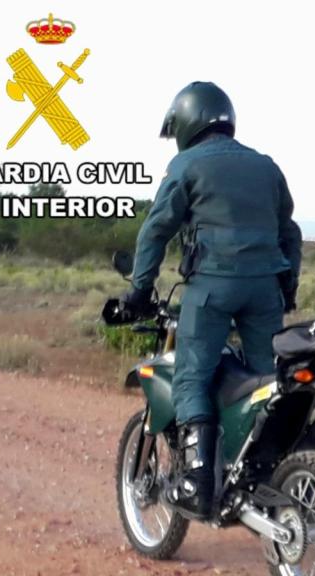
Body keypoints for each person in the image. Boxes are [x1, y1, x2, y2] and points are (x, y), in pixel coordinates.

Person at [120, 81, 302, 519]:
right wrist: (288, 288)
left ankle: (197, 482)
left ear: (186, 122)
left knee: (191, 377)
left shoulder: (185, 165)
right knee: (264, 383)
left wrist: (139, 290)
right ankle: (262, 471)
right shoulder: (266, 166)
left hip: (212, 289)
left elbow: (156, 230)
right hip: (265, 292)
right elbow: (289, 232)